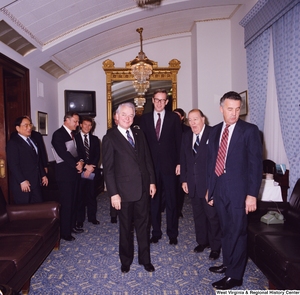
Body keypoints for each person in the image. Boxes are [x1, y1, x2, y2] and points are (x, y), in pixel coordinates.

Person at [206, 91, 262, 290]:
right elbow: (212, 162)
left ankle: (235, 276)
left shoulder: (250, 130)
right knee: (226, 230)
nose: (234, 114)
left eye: (237, 109)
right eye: (230, 109)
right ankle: (229, 262)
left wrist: (252, 194)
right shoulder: (214, 131)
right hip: (220, 189)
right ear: (221, 109)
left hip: (240, 191)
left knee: (238, 232)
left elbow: (256, 165)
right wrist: (210, 190)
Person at [102, 102, 156, 274]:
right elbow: (108, 170)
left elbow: (147, 159)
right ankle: (125, 261)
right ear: (116, 117)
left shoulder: (139, 133)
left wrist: (152, 181)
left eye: (131, 115)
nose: (128, 118)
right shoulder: (110, 137)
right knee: (125, 228)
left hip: (142, 189)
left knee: (144, 225)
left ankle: (145, 259)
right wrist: (113, 194)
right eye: (124, 115)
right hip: (123, 192)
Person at [139, 89, 182, 245]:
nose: (159, 103)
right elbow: (141, 146)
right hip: (151, 168)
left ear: (167, 102)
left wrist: (179, 163)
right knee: (154, 202)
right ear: (152, 100)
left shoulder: (174, 119)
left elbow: (179, 142)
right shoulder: (143, 119)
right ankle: (155, 232)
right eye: (156, 99)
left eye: (162, 100)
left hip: (170, 167)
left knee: (172, 201)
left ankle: (172, 233)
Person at [180, 109, 221, 260]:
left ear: (203, 119)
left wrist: (213, 187)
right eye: (190, 120)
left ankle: (215, 246)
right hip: (192, 183)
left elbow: (217, 162)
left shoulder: (213, 133)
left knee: (212, 216)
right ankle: (202, 241)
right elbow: (184, 158)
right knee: (198, 215)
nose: (192, 123)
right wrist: (184, 180)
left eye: (195, 119)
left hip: (208, 184)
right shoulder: (186, 136)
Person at [51, 112, 84, 241]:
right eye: (75, 121)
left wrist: (81, 161)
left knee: (74, 201)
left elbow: (79, 151)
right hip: (64, 175)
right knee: (67, 203)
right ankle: (65, 232)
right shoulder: (58, 134)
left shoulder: (74, 135)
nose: (77, 124)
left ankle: (72, 225)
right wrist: (77, 165)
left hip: (75, 173)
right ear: (67, 120)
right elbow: (63, 154)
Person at [6, 116, 48, 204]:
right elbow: (13, 164)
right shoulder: (13, 143)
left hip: (35, 182)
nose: (29, 127)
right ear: (18, 128)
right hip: (23, 183)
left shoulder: (33, 140)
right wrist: (22, 180)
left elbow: (37, 160)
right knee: (26, 211)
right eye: (26, 125)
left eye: (30, 125)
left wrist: (43, 175)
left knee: (38, 207)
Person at [75, 116, 100, 228]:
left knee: (91, 195)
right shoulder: (74, 138)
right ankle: (79, 220)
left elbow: (97, 156)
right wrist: (85, 167)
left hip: (92, 171)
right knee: (80, 196)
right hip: (79, 171)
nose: (87, 127)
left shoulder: (95, 139)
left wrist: (91, 168)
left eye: (90, 125)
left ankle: (92, 217)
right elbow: (75, 155)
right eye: (85, 124)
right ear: (80, 125)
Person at [173, 108, 189, 218]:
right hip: (170, 162)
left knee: (179, 189)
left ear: (182, 117)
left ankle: (178, 209)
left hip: (183, 162)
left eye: (178, 116)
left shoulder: (187, 130)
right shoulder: (168, 128)